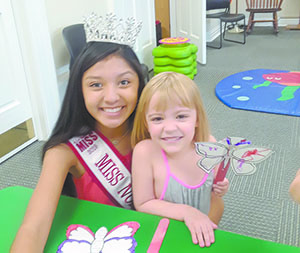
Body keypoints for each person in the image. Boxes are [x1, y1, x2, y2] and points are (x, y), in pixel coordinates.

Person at [10, 41, 146, 252]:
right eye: (96, 85)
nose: (111, 97)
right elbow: (34, 227)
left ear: (140, 84)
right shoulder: (63, 152)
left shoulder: (156, 134)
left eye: (124, 82)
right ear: (79, 90)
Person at [131, 72, 229, 248]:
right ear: (146, 123)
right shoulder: (145, 152)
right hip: (162, 236)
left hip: (203, 234)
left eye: (181, 116)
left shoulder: (210, 145)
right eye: (158, 118)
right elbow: (143, 203)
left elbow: (214, 194)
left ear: (197, 118)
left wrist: (222, 187)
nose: (169, 128)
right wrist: (187, 212)